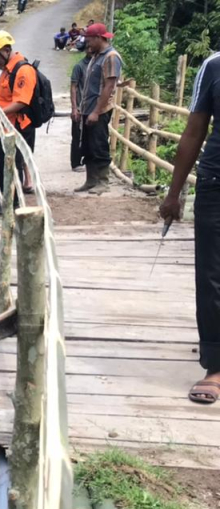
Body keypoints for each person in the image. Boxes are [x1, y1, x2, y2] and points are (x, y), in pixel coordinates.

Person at [161, 52, 220, 404]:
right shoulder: (214, 66)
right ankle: (215, 364)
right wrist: (174, 193)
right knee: (212, 275)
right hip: (216, 181)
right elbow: (194, 129)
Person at [0, 30, 37, 213]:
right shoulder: (6, 72)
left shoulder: (23, 71)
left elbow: (21, 102)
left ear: (6, 50)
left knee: (11, 166)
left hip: (13, 127)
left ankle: (10, 204)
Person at [74, 23, 122, 194]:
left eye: (89, 40)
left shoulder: (111, 57)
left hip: (99, 110)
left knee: (99, 144)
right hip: (88, 107)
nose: (87, 43)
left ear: (98, 38)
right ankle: (91, 179)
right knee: (87, 144)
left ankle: (103, 180)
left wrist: (96, 111)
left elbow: (109, 86)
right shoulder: (95, 56)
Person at [69, 50, 93, 171]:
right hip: (80, 106)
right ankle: (75, 162)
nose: (90, 49)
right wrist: (74, 108)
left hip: (91, 107)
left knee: (89, 136)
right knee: (77, 135)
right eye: (87, 47)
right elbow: (73, 87)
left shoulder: (97, 65)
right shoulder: (79, 66)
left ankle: (87, 160)